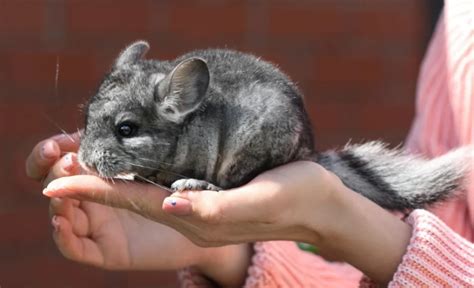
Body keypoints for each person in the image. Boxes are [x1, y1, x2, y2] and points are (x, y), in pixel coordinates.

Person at [26, 1, 473, 287]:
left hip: (259, 134)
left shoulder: (202, 126)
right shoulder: (458, 24)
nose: (92, 150)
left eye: (123, 131)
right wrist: (222, 249)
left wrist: (335, 218)